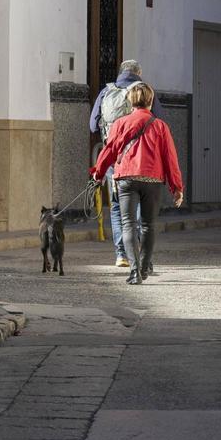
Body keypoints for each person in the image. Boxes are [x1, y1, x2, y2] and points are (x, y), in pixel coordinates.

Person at [91, 82, 183, 285]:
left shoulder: (120, 123)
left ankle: (134, 272)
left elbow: (109, 150)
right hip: (152, 180)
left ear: (130, 101)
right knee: (149, 225)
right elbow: (170, 158)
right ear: (150, 101)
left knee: (128, 224)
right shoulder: (160, 126)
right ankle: (144, 267)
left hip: (126, 179)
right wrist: (176, 187)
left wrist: (97, 174)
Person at [90, 59, 158, 267]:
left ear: (120, 72)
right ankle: (137, 250)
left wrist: (99, 171)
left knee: (118, 208)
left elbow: (93, 126)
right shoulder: (146, 92)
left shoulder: (106, 92)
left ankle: (122, 253)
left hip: (115, 163)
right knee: (141, 210)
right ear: (139, 72)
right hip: (144, 163)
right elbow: (159, 121)